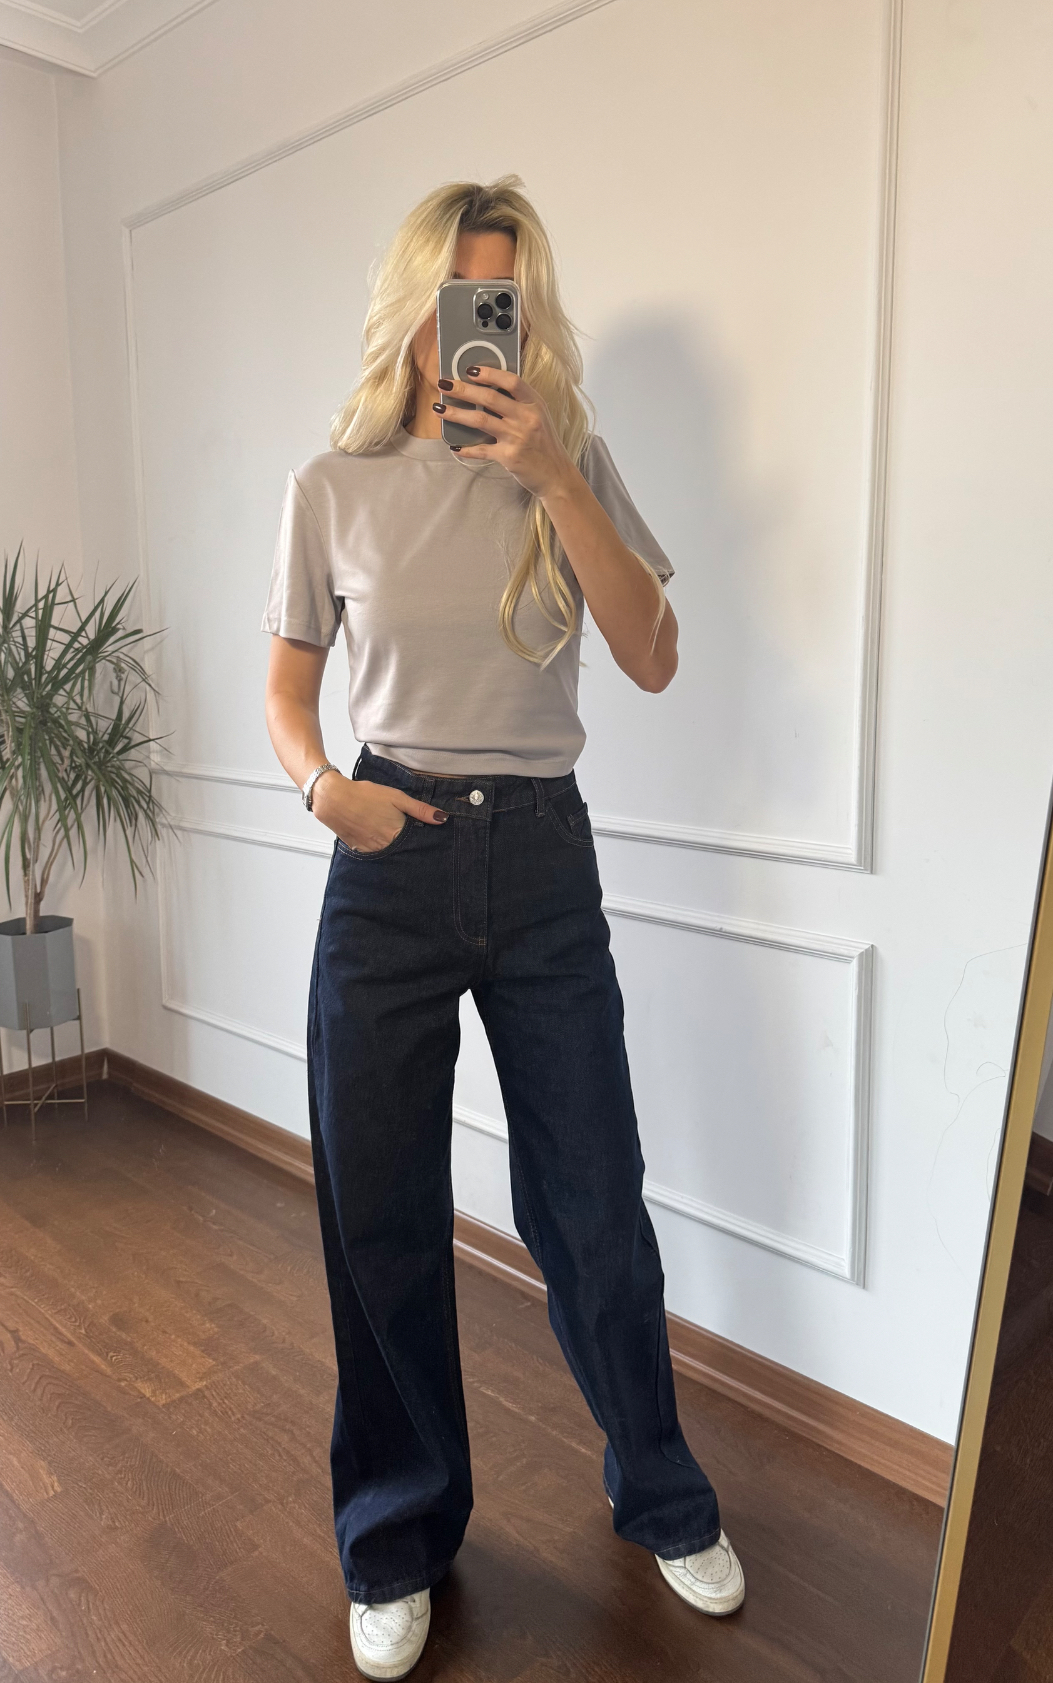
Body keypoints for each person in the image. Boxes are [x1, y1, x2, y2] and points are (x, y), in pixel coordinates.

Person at [263, 175, 744, 1681]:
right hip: (387, 856)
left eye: (508, 305)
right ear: (412, 306)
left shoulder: (569, 459)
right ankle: (396, 1536)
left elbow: (654, 656)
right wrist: (324, 790)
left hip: (541, 863)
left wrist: (554, 476)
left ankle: (662, 1496)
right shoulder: (331, 486)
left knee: (594, 1205)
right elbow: (284, 692)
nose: (481, 331)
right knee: (381, 1216)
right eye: (462, 298)